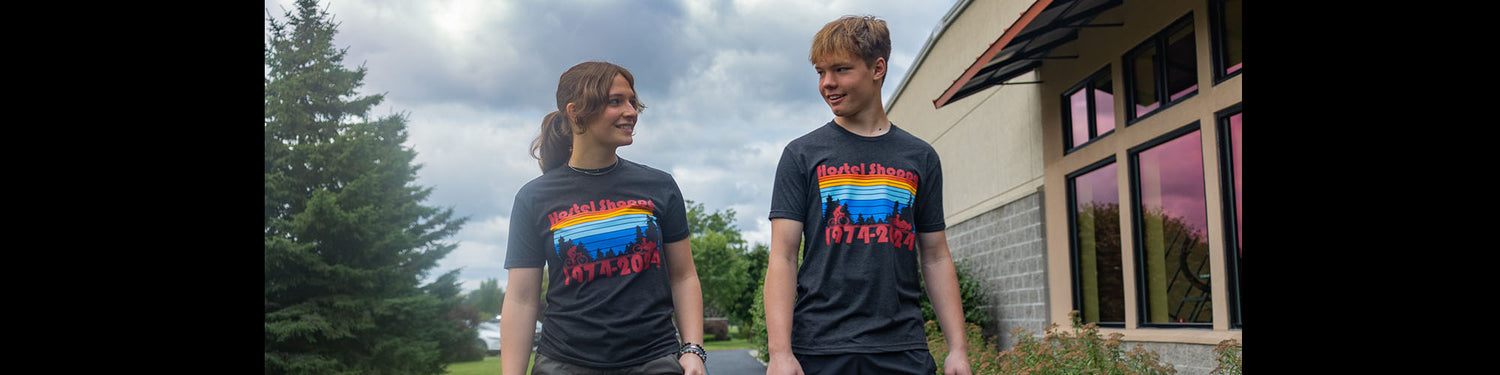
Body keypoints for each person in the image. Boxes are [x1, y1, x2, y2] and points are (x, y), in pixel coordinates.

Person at [764, 15, 973, 375]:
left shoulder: (920, 157)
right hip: (820, 348)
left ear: (878, 68)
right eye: (820, 72)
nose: (828, 83)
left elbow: (936, 256)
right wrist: (781, 353)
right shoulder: (802, 154)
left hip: (902, 348)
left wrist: (958, 349)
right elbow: (783, 256)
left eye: (841, 70)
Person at [501, 61, 707, 375]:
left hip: (653, 361)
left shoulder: (660, 186)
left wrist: (692, 350)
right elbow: (521, 298)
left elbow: (683, 276)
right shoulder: (534, 198)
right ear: (576, 112)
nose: (631, 111)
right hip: (565, 364)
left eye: (631, 101)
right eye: (615, 102)